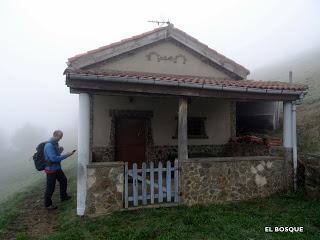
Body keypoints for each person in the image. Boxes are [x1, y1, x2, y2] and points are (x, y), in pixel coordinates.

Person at [44, 130, 76, 210]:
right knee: (50, 187)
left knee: (63, 180)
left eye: (61, 137)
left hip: (57, 168)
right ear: (54, 135)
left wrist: (59, 151)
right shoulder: (49, 145)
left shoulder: (55, 144)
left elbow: (56, 155)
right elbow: (54, 159)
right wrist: (67, 155)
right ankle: (48, 204)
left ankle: (63, 197)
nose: (60, 139)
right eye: (59, 137)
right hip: (51, 170)